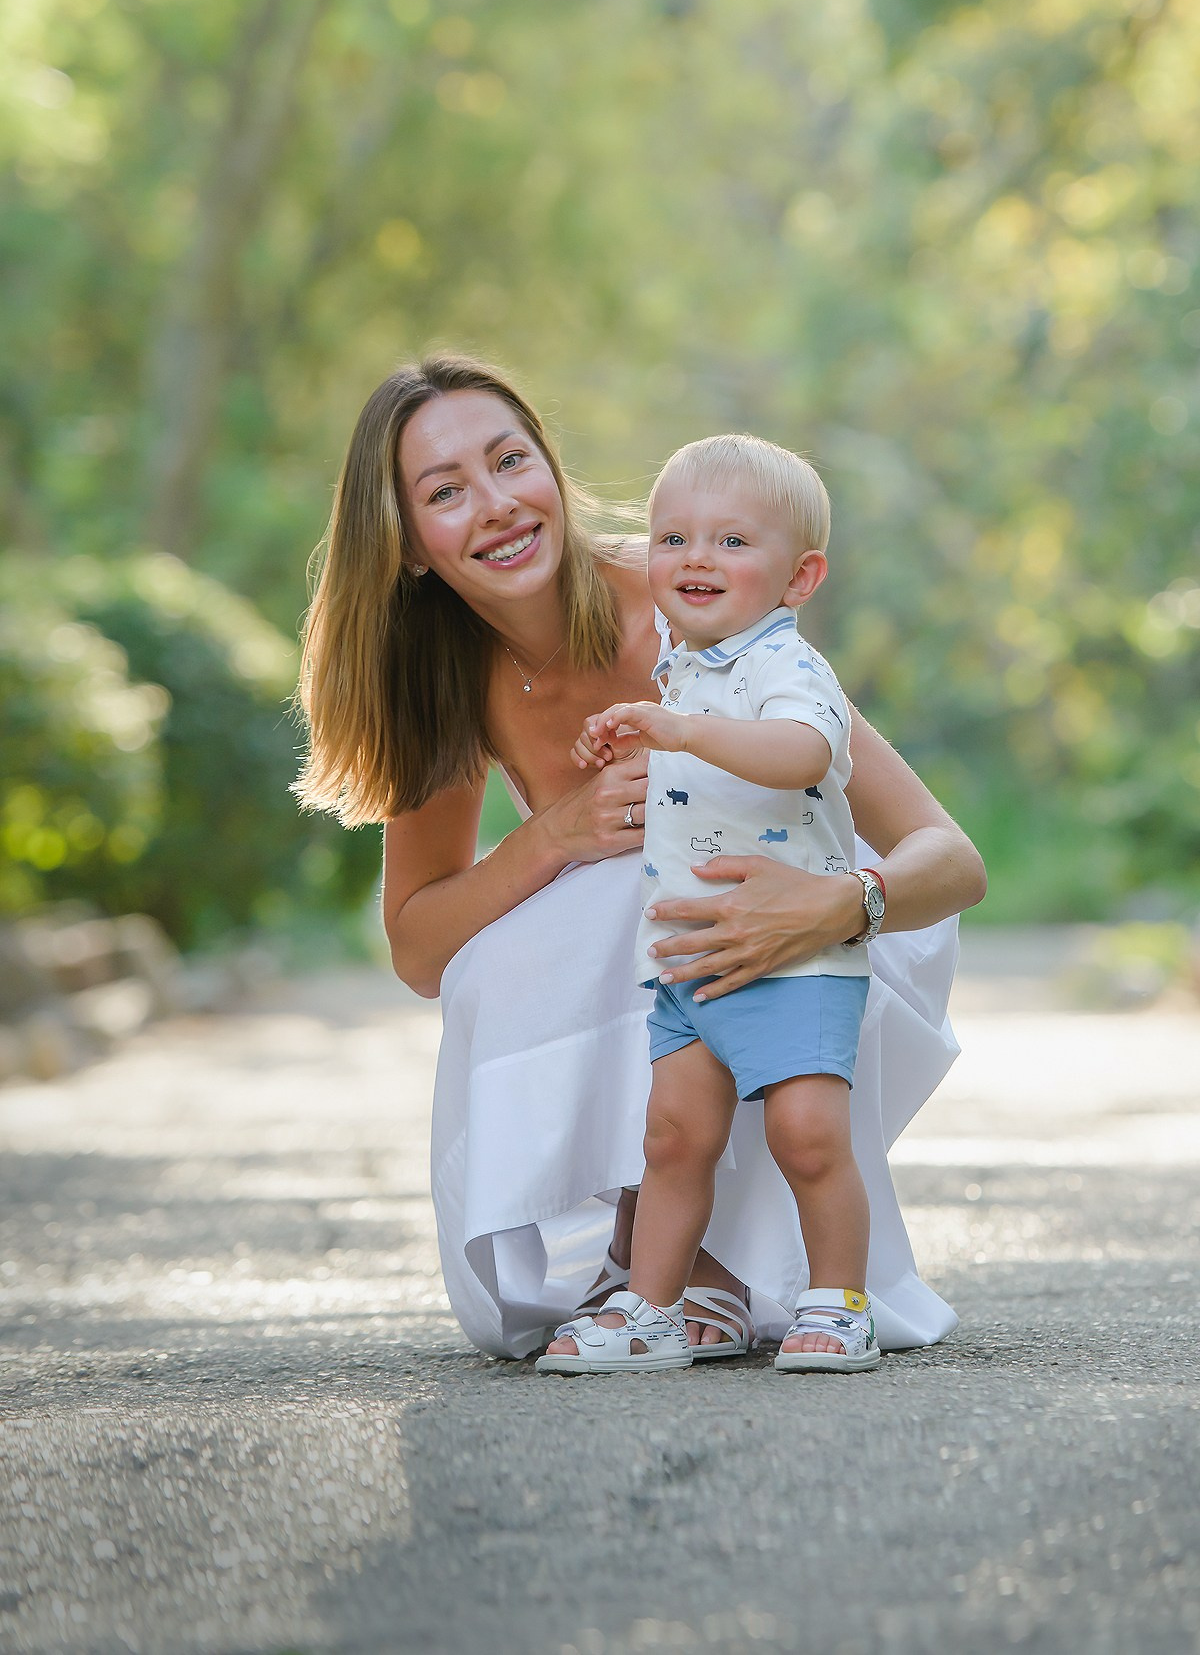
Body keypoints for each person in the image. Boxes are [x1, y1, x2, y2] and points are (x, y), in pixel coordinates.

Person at [294, 354, 987, 1361]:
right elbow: (421, 951)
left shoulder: (686, 595)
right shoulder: (443, 675)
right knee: (563, 914)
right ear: (405, 545)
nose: (494, 505)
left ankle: (730, 1265)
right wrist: (551, 836)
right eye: (446, 492)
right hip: (677, 952)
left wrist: (835, 903)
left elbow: (950, 859)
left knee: (649, 877)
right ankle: (665, 1253)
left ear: (551, 468)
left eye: (509, 460)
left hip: (834, 915)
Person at [540, 434, 882, 1375]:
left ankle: (839, 1302)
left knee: (807, 1135)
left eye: (733, 542)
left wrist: (684, 730)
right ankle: (652, 1305)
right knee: (672, 1139)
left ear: (799, 577)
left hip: (792, 954)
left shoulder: (786, 669)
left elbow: (801, 755)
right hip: (690, 960)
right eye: (673, 536)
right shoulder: (683, 664)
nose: (696, 558)